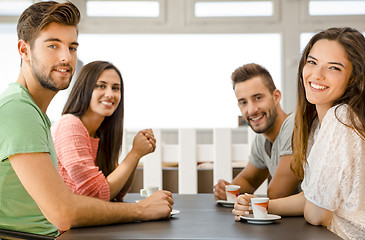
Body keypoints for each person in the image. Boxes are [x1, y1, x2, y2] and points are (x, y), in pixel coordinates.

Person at [0, 1, 173, 237]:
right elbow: (64, 211)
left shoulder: (34, 113)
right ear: (24, 50)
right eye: (53, 45)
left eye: (72, 47)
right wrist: (141, 209)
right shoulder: (18, 110)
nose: (66, 58)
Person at [233, 27, 365, 239]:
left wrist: (318, 209)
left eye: (334, 68)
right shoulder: (315, 126)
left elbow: (317, 213)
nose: (317, 75)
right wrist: (260, 206)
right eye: (312, 62)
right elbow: (311, 199)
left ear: (353, 78)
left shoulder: (342, 118)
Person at [51, 61, 155, 202]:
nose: (110, 94)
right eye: (101, 86)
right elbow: (96, 195)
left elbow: (118, 192)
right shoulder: (69, 125)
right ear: (85, 89)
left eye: (116, 88)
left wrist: (137, 155)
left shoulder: (101, 133)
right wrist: (134, 153)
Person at [214, 63, 300, 200]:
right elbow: (249, 180)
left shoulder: (294, 126)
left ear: (276, 97)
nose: (251, 110)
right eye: (243, 102)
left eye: (258, 98)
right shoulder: (262, 139)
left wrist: (244, 199)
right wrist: (227, 191)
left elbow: (278, 194)